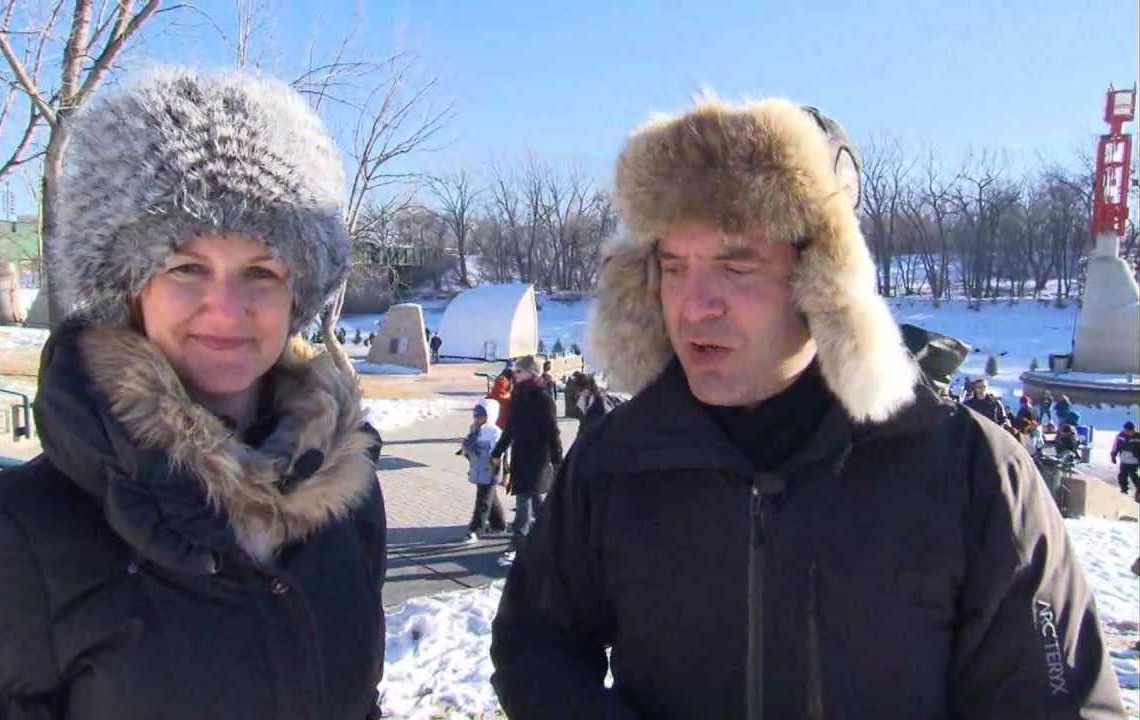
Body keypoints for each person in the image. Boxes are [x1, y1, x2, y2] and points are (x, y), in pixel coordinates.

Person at [489, 94, 1124, 717]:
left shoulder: (972, 474)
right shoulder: (616, 458)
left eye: (736, 268)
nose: (693, 304)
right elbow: (534, 644)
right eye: (675, 267)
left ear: (823, 282)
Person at [0, 70, 387, 719]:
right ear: (130, 287)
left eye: (261, 270)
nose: (225, 306)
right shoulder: (10, 534)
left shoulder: (345, 496)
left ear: (299, 293)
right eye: (185, 267)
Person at [490, 355, 561, 566]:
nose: (514, 374)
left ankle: (517, 547)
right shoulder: (518, 396)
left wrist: (558, 462)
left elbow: (553, 432)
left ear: (531, 372)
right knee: (538, 505)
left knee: (524, 504)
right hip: (520, 457)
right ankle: (556, 540)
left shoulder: (543, 399)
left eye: (518, 371)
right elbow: (510, 428)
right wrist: (497, 452)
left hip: (538, 460)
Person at [459, 399, 508, 543]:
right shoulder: (474, 429)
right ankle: (499, 524)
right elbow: (468, 447)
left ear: (490, 416)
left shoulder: (495, 432)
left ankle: (475, 530)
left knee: (483, 501)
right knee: (490, 498)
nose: (477, 419)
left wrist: (498, 469)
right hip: (478, 468)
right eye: (475, 415)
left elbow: (498, 452)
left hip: (490, 469)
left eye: (481, 416)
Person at [1110, 421, 1140, 496]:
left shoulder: (1138, 437)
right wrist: (1113, 455)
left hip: (1134, 461)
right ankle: (1124, 489)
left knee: (1134, 475)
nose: (1128, 432)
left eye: (1129, 431)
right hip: (1124, 460)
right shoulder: (1120, 436)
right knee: (1122, 475)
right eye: (1126, 430)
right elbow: (1115, 446)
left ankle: (1139, 489)